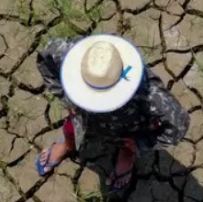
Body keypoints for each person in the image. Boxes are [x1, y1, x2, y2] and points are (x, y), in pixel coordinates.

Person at [34, 34, 189, 192]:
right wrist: (68, 100)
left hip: (126, 126)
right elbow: (45, 60)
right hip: (82, 116)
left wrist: (141, 144)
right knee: (71, 128)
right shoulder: (72, 57)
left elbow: (179, 123)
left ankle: (127, 154)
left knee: (126, 143)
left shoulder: (148, 92)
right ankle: (68, 144)